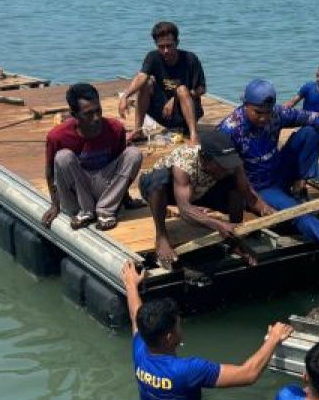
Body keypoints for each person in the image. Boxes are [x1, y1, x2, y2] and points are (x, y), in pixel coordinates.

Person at [122, 260, 293, 400]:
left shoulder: (140, 349)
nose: (180, 327)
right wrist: (273, 338)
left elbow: (135, 314)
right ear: (169, 337)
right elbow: (248, 374)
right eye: (178, 325)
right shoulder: (188, 370)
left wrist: (131, 285)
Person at [219, 79, 319, 259]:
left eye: (268, 113)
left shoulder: (277, 114)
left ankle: (299, 186)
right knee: (296, 212)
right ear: (245, 105)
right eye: (258, 113)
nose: (264, 118)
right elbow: (214, 162)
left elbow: (316, 117)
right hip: (258, 187)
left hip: (278, 170)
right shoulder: (230, 128)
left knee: (310, 133)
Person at [137, 127, 274, 271]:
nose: (227, 169)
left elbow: (247, 193)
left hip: (199, 190)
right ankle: (161, 236)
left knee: (235, 186)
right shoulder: (184, 163)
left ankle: (235, 239)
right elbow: (184, 210)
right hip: (163, 191)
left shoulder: (233, 163)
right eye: (222, 166)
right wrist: (219, 224)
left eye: (229, 165)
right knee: (159, 180)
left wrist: (266, 209)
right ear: (204, 158)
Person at [41, 82, 143, 231]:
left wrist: (126, 199)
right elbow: (50, 173)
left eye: (98, 111)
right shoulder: (57, 136)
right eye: (88, 114)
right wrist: (54, 205)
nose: (96, 118)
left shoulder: (115, 129)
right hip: (77, 193)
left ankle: (106, 211)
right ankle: (86, 212)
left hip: (103, 186)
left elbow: (121, 170)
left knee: (134, 153)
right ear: (75, 115)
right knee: (63, 157)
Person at [119, 20, 206, 143]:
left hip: (186, 113)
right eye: (161, 47)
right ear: (156, 45)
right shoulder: (153, 57)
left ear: (177, 43)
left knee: (181, 89)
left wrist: (175, 99)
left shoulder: (190, 59)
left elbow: (202, 88)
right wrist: (125, 96)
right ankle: (138, 131)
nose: (165, 50)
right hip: (164, 113)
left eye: (169, 46)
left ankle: (193, 135)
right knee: (146, 83)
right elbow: (141, 77)